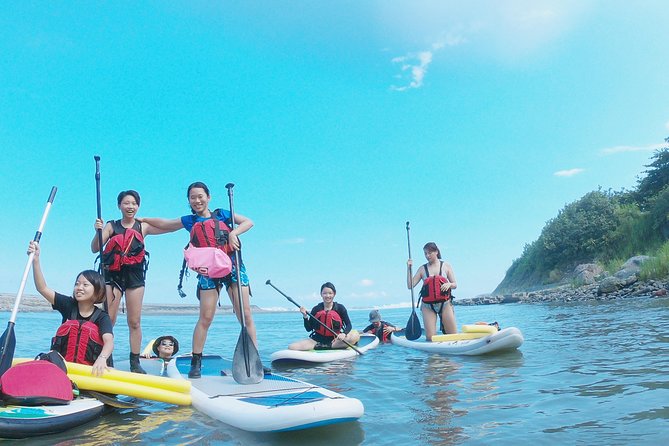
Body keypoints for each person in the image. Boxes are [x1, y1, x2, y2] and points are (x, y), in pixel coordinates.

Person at [139, 181, 256, 379]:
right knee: (205, 318)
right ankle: (196, 362)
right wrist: (143, 219)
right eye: (193, 198)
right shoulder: (190, 220)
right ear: (189, 201)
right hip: (208, 271)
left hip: (233, 266)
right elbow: (166, 224)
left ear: (208, 197)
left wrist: (234, 232)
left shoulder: (222, 214)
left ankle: (254, 360)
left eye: (200, 196)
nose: (197, 200)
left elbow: (248, 222)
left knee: (245, 315)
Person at [91, 190, 167, 374]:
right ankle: (103, 357)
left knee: (134, 321)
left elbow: (167, 226)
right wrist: (97, 231)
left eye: (133, 203)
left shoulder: (143, 226)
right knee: (109, 320)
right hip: (112, 277)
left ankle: (135, 361)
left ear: (138, 206)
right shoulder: (111, 226)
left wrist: (146, 218)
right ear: (119, 206)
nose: (130, 206)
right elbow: (95, 248)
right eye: (126, 203)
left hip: (135, 277)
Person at [28, 241, 113, 377]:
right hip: (65, 370)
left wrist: (102, 359)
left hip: (91, 371)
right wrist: (36, 260)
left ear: (97, 291)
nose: (79, 288)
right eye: (77, 284)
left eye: (85, 285)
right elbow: (42, 288)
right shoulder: (68, 305)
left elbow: (109, 341)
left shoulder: (102, 317)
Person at [407, 242, 457, 341]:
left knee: (453, 336)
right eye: (425, 253)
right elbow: (410, 285)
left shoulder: (446, 266)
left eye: (429, 253)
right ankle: (434, 355)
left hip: (445, 304)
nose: (427, 256)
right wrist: (408, 268)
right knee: (430, 338)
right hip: (427, 306)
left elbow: (455, 284)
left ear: (436, 252)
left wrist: (449, 284)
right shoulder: (422, 269)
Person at [289, 282, 360, 351]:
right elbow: (308, 329)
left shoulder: (340, 308)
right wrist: (305, 316)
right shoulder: (316, 309)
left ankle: (331, 346)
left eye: (330, 293)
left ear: (334, 294)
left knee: (354, 336)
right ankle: (326, 346)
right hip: (317, 341)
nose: (327, 296)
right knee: (292, 347)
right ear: (321, 294)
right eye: (325, 293)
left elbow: (349, 325)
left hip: (335, 340)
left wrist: (344, 334)